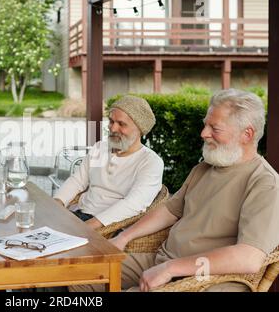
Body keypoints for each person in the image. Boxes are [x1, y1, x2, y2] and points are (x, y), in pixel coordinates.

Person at [73, 88, 279, 292]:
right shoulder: (204, 168)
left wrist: (171, 268)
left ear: (247, 134)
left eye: (214, 128)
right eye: (205, 125)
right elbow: (169, 211)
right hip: (162, 260)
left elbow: (249, 257)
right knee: (79, 274)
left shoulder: (264, 183)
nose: (203, 133)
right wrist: (123, 237)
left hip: (205, 277)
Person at [54, 95, 164, 229]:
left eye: (121, 124)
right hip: (79, 215)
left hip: (109, 226)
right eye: (111, 121)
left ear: (140, 129)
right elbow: (77, 181)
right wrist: (57, 203)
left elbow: (134, 204)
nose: (113, 128)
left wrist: (88, 226)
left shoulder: (151, 162)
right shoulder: (100, 148)